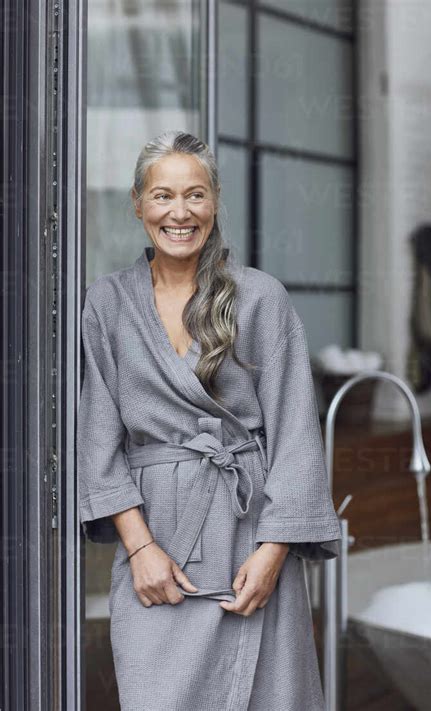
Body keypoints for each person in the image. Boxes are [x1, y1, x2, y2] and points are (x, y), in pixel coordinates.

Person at [78, 130, 341, 711]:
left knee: (267, 695)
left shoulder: (260, 298)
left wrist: (273, 552)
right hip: (154, 539)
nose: (180, 212)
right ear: (138, 203)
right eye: (163, 195)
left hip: (249, 537)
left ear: (216, 201)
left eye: (195, 195)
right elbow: (97, 440)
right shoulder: (107, 303)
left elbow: (296, 432)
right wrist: (140, 548)